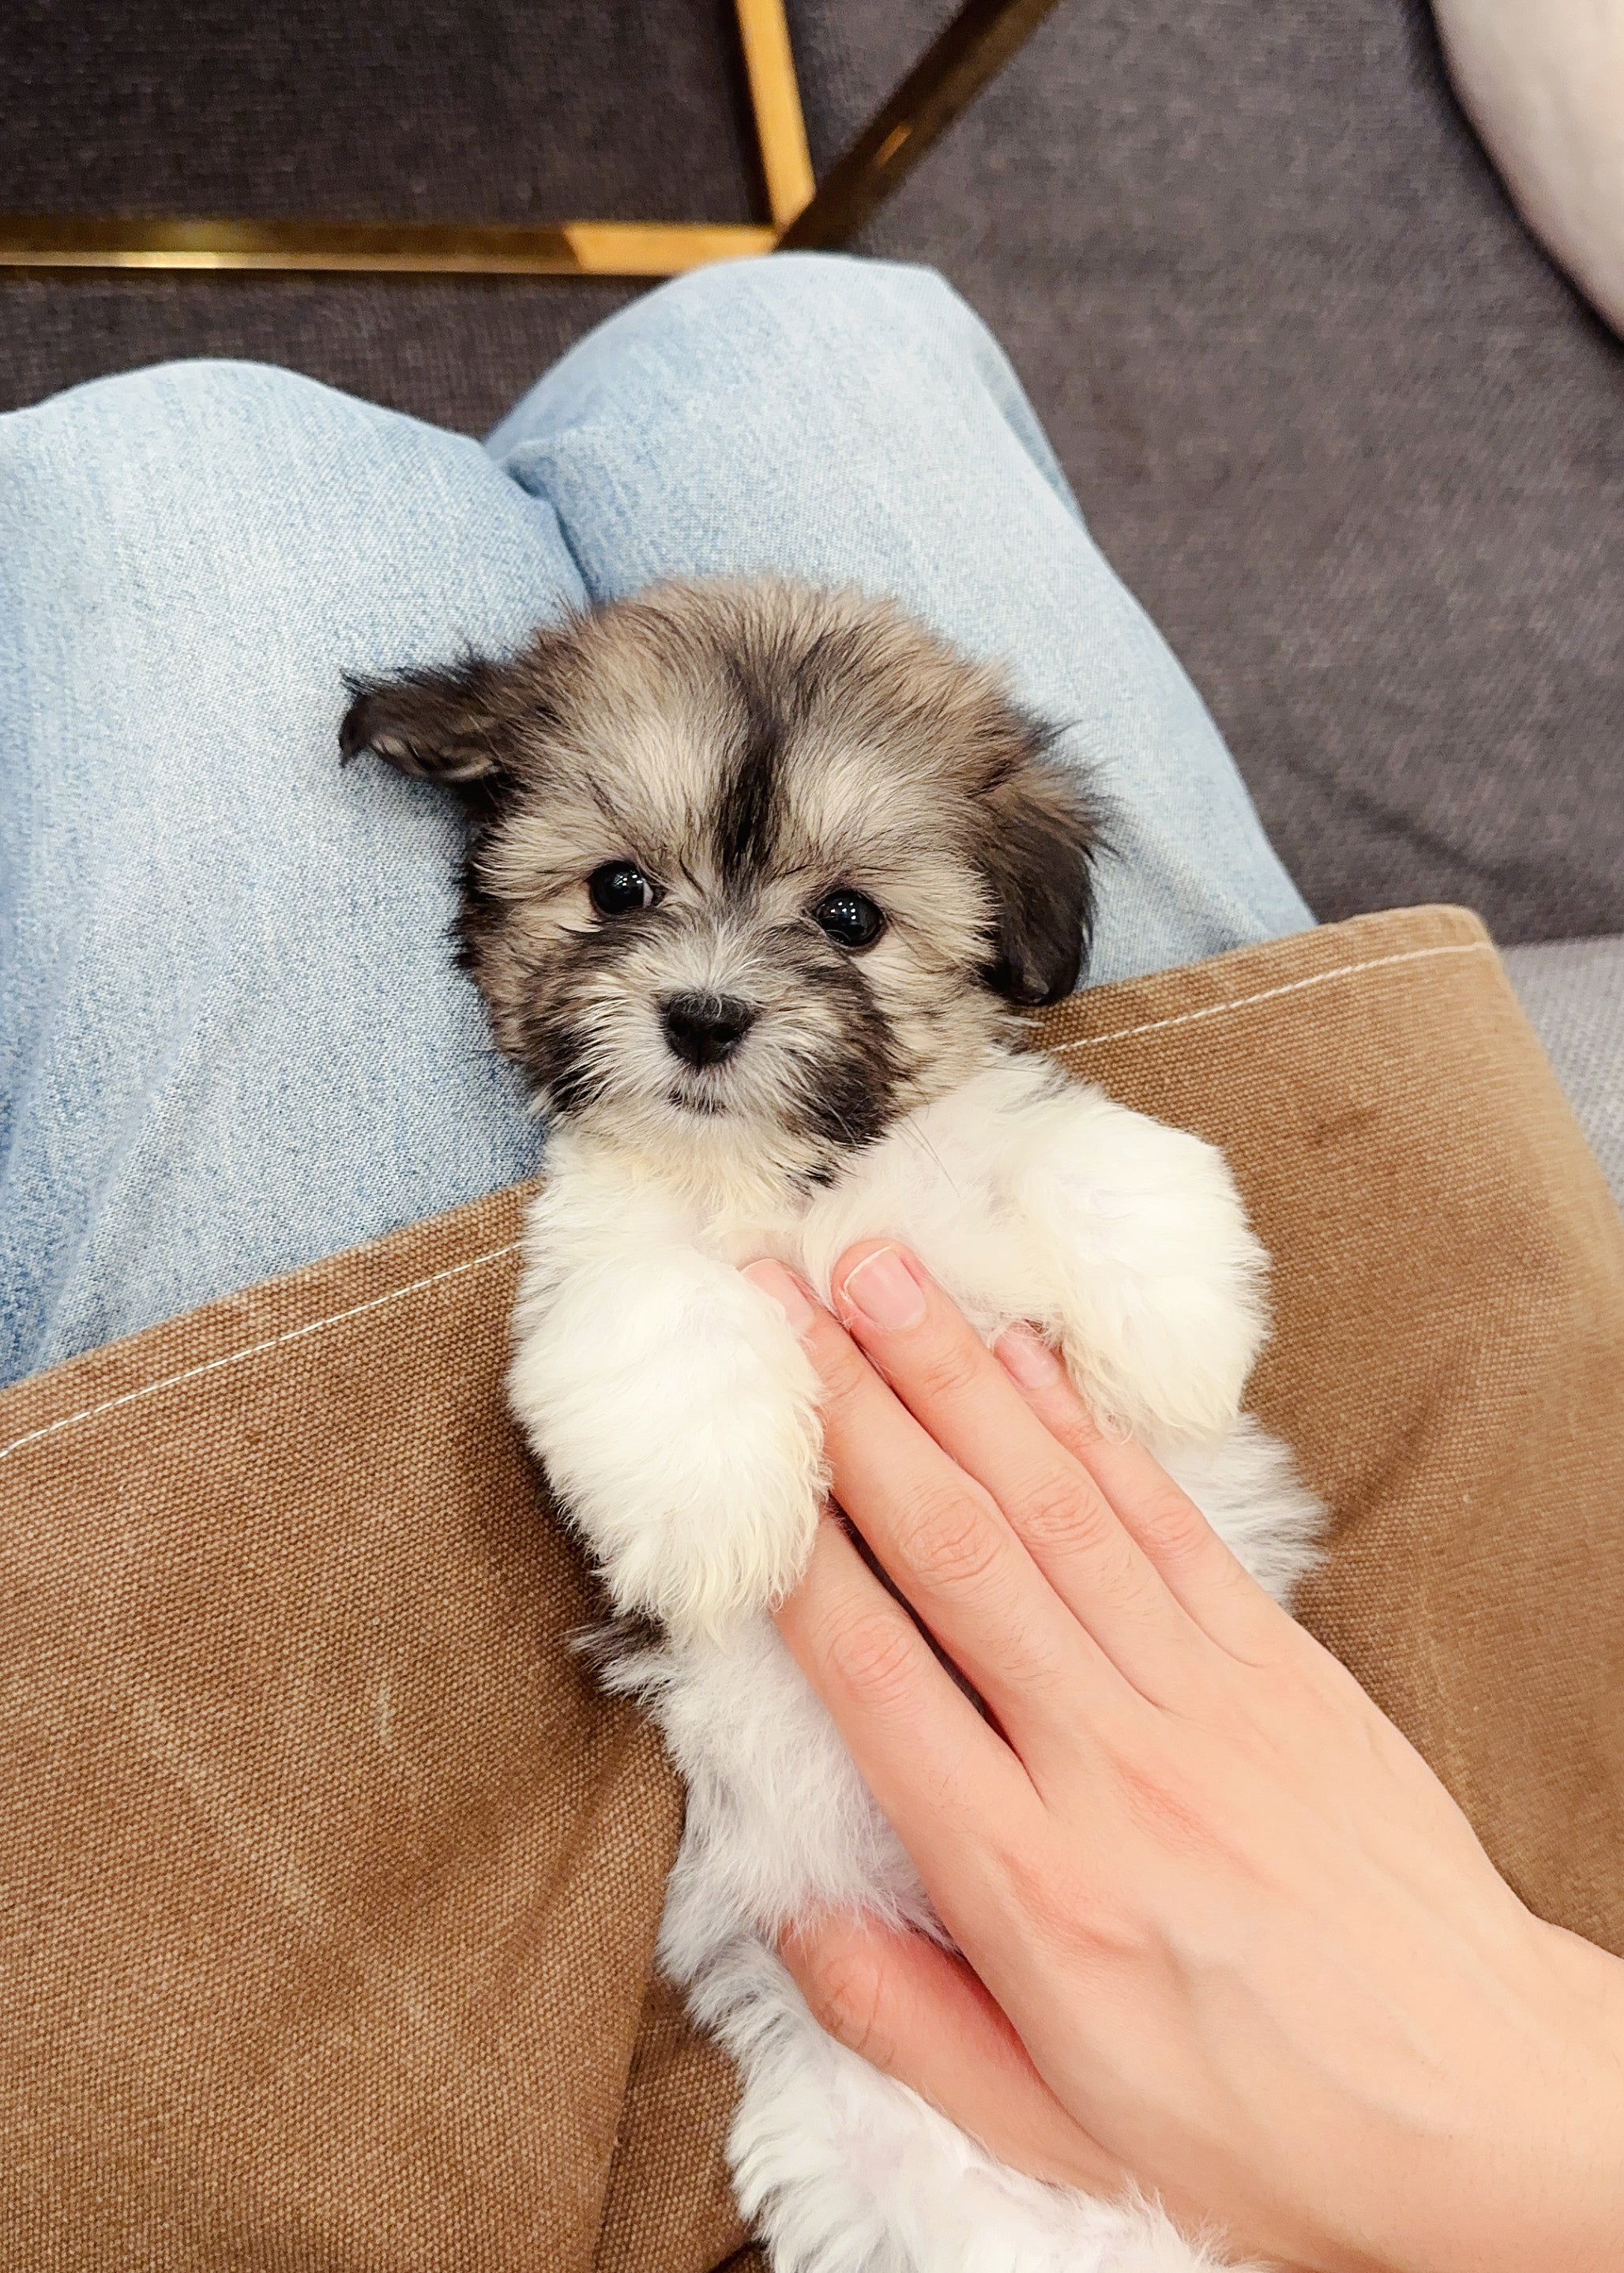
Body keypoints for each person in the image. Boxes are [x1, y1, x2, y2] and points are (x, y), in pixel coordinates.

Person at [2, 254, 1618, 2267]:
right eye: (617, 895)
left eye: (847, 921)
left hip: (579, 1974)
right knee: (812, 333)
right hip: (1507, 1808)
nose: (698, 990)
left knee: (179, 475)